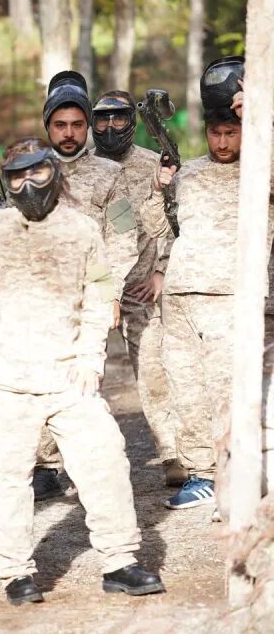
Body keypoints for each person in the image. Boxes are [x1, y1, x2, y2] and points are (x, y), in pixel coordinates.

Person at [0, 147, 164, 605]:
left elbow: (98, 297)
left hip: (69, 372)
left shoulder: (82, 228)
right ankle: (15, 573)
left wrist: (91, 359)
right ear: (7, 182)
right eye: (17, 178)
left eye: (38, 173)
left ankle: (120, 560)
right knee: (6, 477)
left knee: (105, 460)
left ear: (55, 174)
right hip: (3, 377)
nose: (28, 185)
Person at [139, 56, 272, 512]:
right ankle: (200, 474)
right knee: (186, 389)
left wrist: (257, 120)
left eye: (230, 132)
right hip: (181, 296)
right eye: (215, 133)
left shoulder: (260, 171)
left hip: (231, 295)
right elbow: (161, 227)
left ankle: (236, 473)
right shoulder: (190, 171)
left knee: (226, 390)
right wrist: (159, 190)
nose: (222, 141)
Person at [31, 71, 139, 500]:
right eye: (60, 125)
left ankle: (86, 462)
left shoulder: (111, 174)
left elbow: (124, 235)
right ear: (48, 126)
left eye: (77, 124)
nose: (69, 133)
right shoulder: (30, 169)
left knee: (86, 379)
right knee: (39, 378)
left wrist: (111, 292)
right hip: (40, 296)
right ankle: (45, 464)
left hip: (90, 295)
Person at [90, 91, 183, 487]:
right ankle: (62, 464)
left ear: (131, 121)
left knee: (153, 370)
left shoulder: (154, 164)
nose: (110, 126)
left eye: (119, 118)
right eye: (103, 118)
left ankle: (172, 452)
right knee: (78, 375)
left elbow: (176, 220)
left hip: (141, 285)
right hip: (94, 285)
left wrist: (161, 271)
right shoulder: (82, 166)